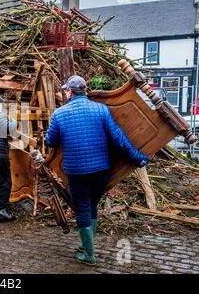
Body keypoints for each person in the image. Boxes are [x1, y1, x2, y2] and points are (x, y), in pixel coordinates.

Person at [45, 75, 150, 265]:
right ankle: (87, 246)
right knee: (92, 205)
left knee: (82, 209)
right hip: (101, 170)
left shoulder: (59, 114)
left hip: (77, 171)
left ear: (69, 92)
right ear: (85, 90)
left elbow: (50, 141)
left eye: (66, 90)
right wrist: (138, 158)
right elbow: (119, 139)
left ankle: (89, 255)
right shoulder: (101, 110)